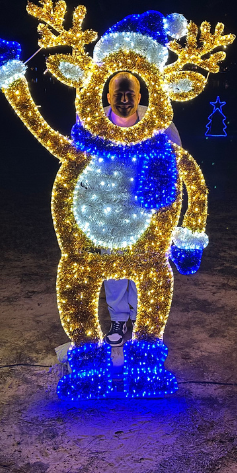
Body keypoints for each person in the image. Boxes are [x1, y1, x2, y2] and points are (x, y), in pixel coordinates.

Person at [101, 72, 181, 347]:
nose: (124, 100)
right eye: (118, 95)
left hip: (148, 208)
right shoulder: (93, 121)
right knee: (113, 265)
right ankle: (119, 317)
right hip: (109, 208)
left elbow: (177, 160)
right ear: (109, 96)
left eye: (130, 94)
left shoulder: (159, 122)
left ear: (140, 96)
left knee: (146, 263)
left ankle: (139, 316)